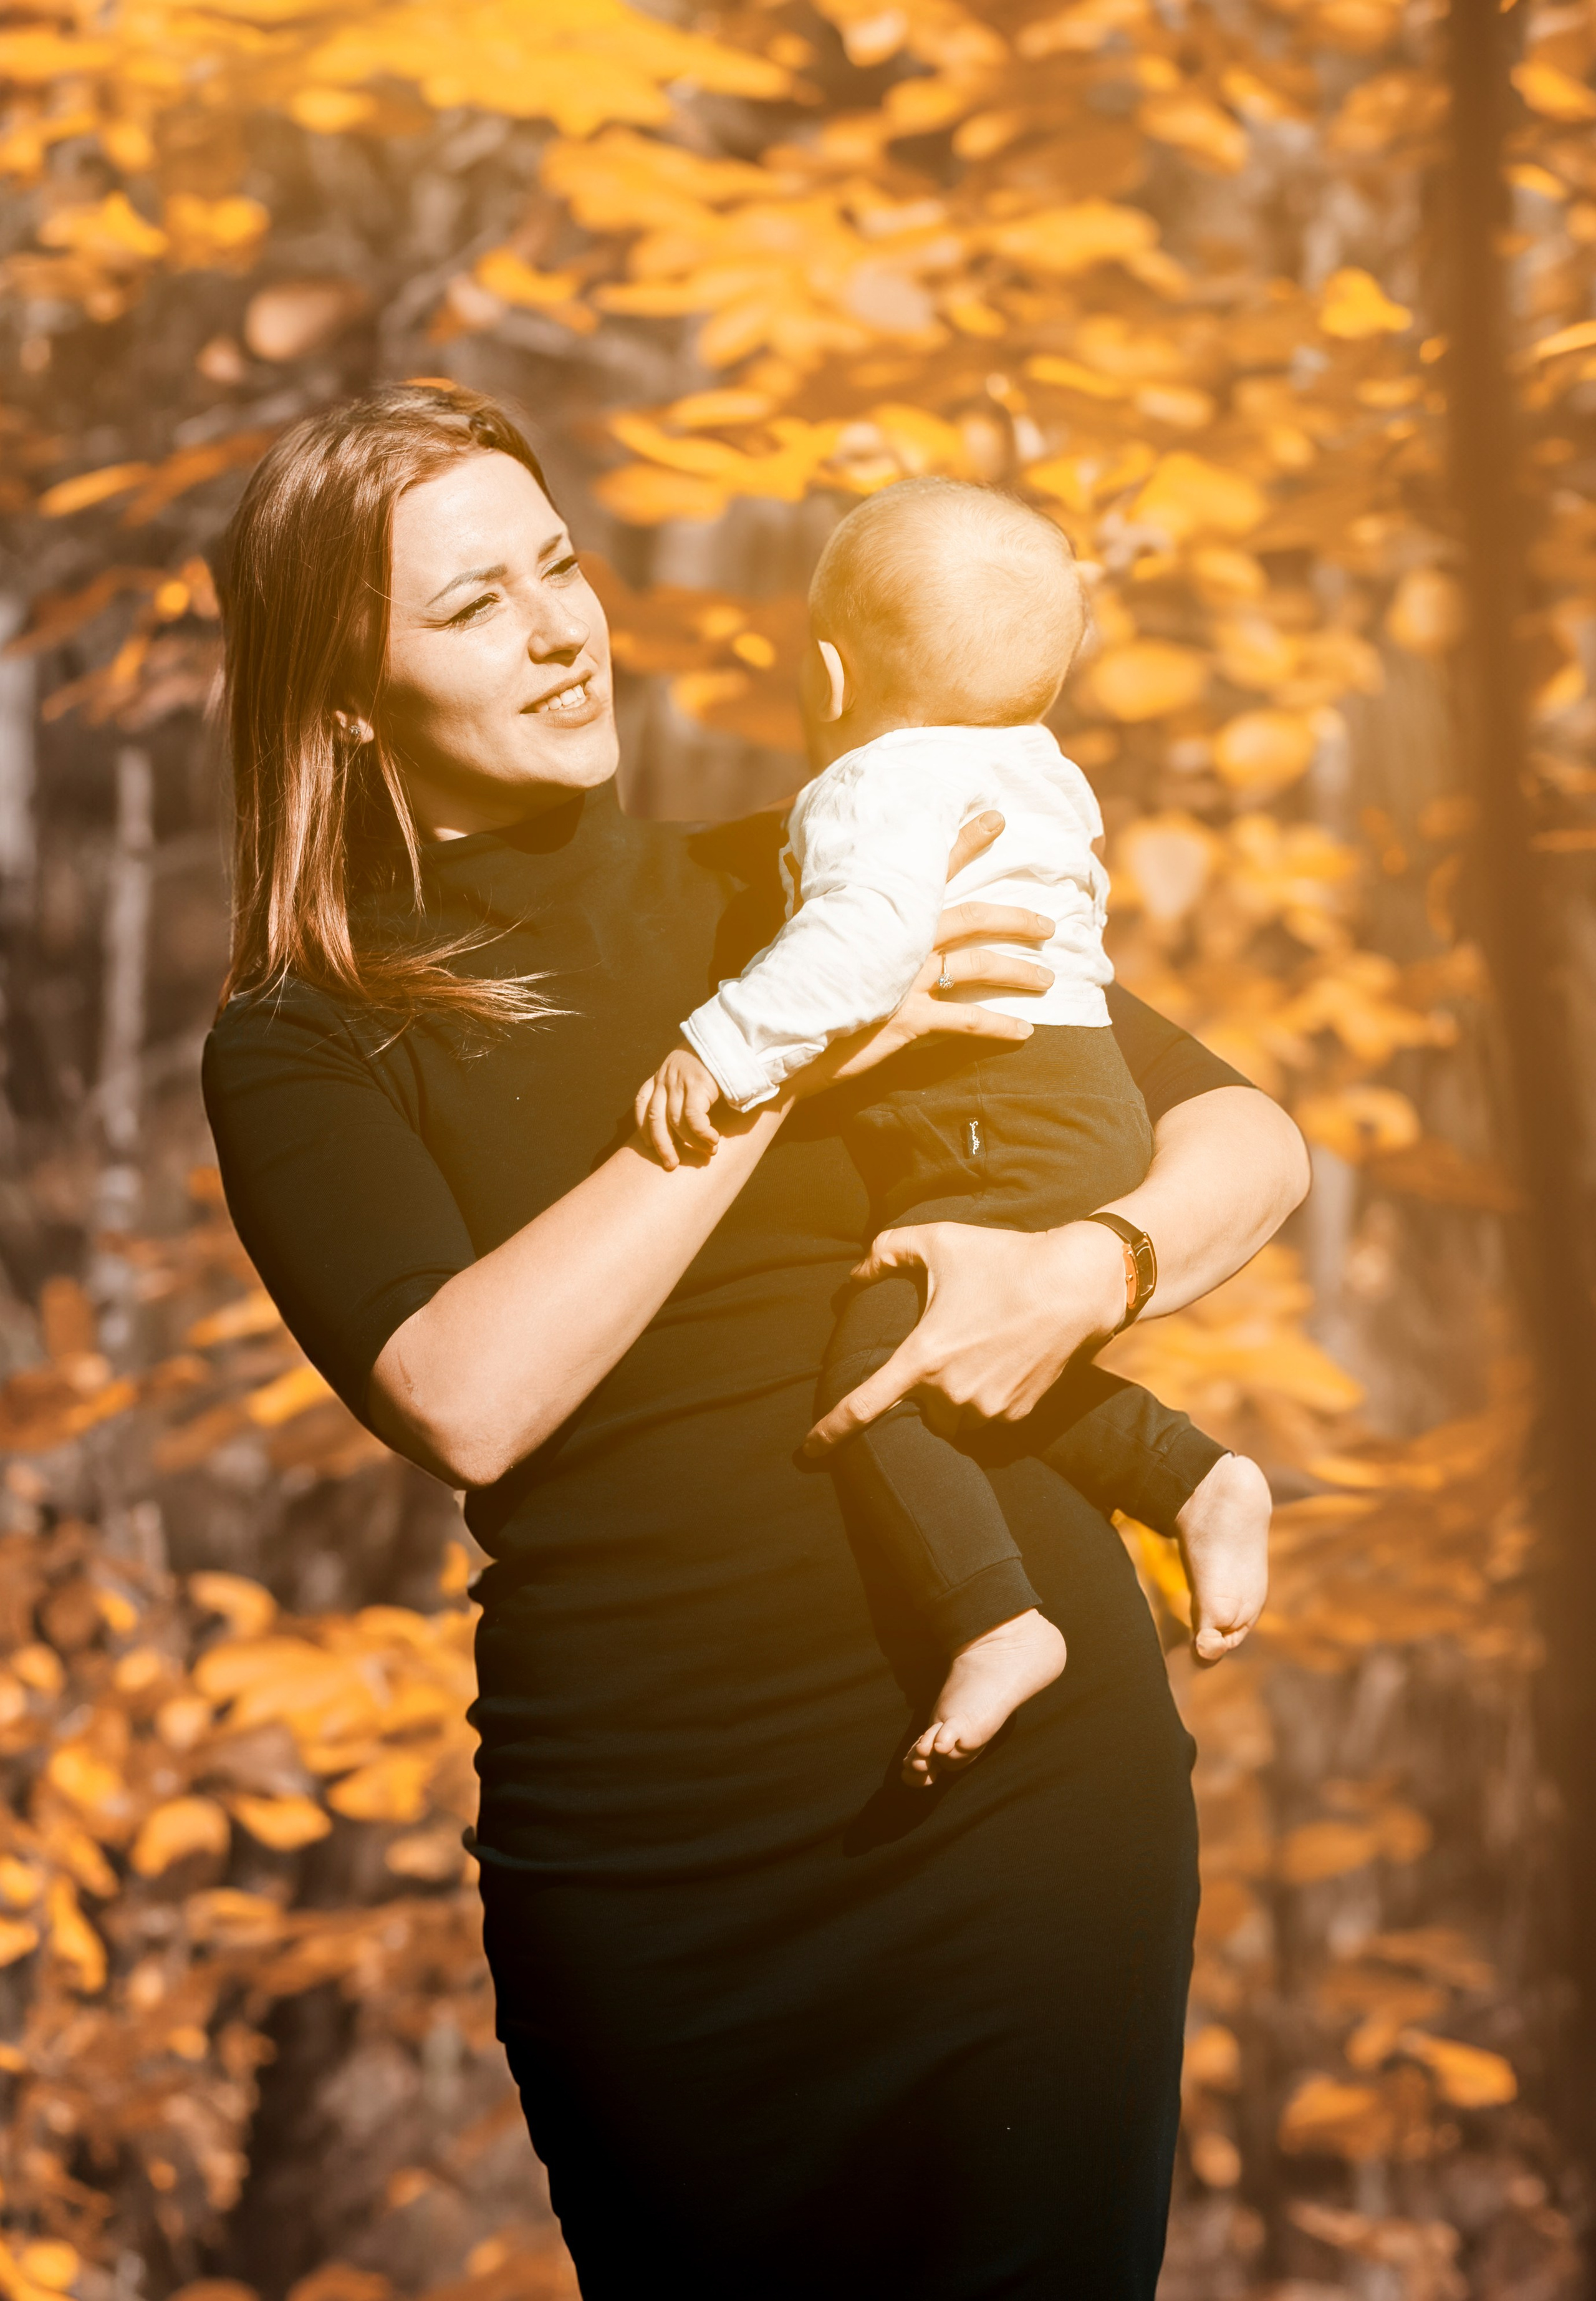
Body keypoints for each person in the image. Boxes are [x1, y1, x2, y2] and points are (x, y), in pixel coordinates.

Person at [202, 383, 1310, 2300]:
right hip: (659, 1863)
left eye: (557, 567)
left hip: (1029, 1799)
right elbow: (470, 1389)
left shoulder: (807, 868)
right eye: (472, 607)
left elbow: (1248, 1138)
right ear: (343, 697)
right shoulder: (308, 1035)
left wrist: (1097, 1271)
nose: (562, 629)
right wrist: (795, 1068)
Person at [637, 477, 1271, 1786]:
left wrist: (721, 1042)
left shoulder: (872, 784)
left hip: (991, 1115)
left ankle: (994, 1618)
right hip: (1079, 1098)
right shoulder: (1042, 775)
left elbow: (859, 947)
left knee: (874, 1383)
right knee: (985, 1364)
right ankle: (1191, 1479)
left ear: (825, 673)